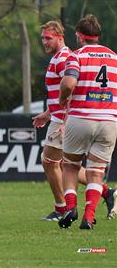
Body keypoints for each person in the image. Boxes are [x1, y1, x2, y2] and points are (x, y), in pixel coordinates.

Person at [33, 21, 116, 222]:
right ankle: (105, 193)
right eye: (42, 37)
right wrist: (47, 113)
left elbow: (70, 89)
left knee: (53, 162)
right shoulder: (107, 56)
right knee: (65, 164)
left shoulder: (67, 58)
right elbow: (58, 93)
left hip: (72, 118)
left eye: (48, 38)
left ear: (61, 37)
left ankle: (62, 208)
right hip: (95, 118)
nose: (44, 41)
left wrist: (63, 119)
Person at [58, 14, 117, 229]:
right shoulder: (114, 57)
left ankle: (71, 208)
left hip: (81, 117)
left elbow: (69, 83)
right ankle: (88, 216)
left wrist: (63, 98)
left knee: (70, 166)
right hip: (109, 121)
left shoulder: (76, 56)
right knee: (96, 171)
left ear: (79, 36)